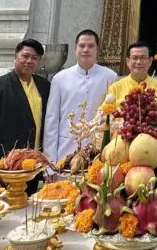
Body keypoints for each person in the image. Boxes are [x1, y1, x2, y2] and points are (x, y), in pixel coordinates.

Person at [0, 39, 50, 173]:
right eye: (25, 56)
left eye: (34, 58)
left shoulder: (44, 86)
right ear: (15, 57)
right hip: (4, 164)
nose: (29, 61)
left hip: (33, 165)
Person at [43, 30, 117, 163]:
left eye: (90, 46)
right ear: (75, 48)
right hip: (66, 150)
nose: (86, 50)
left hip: (98, 151)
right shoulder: (60, 79)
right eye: (82, 46)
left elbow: (113, 117)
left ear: (97, 49)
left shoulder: (110, 77)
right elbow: (51, 121)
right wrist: (50, 163)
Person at [105, 42, 157, 111]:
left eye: (143, 58)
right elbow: (105, 116)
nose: (138, 62)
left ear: (150, 61)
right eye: (134, 58)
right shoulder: (115, 88)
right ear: (128, 61)